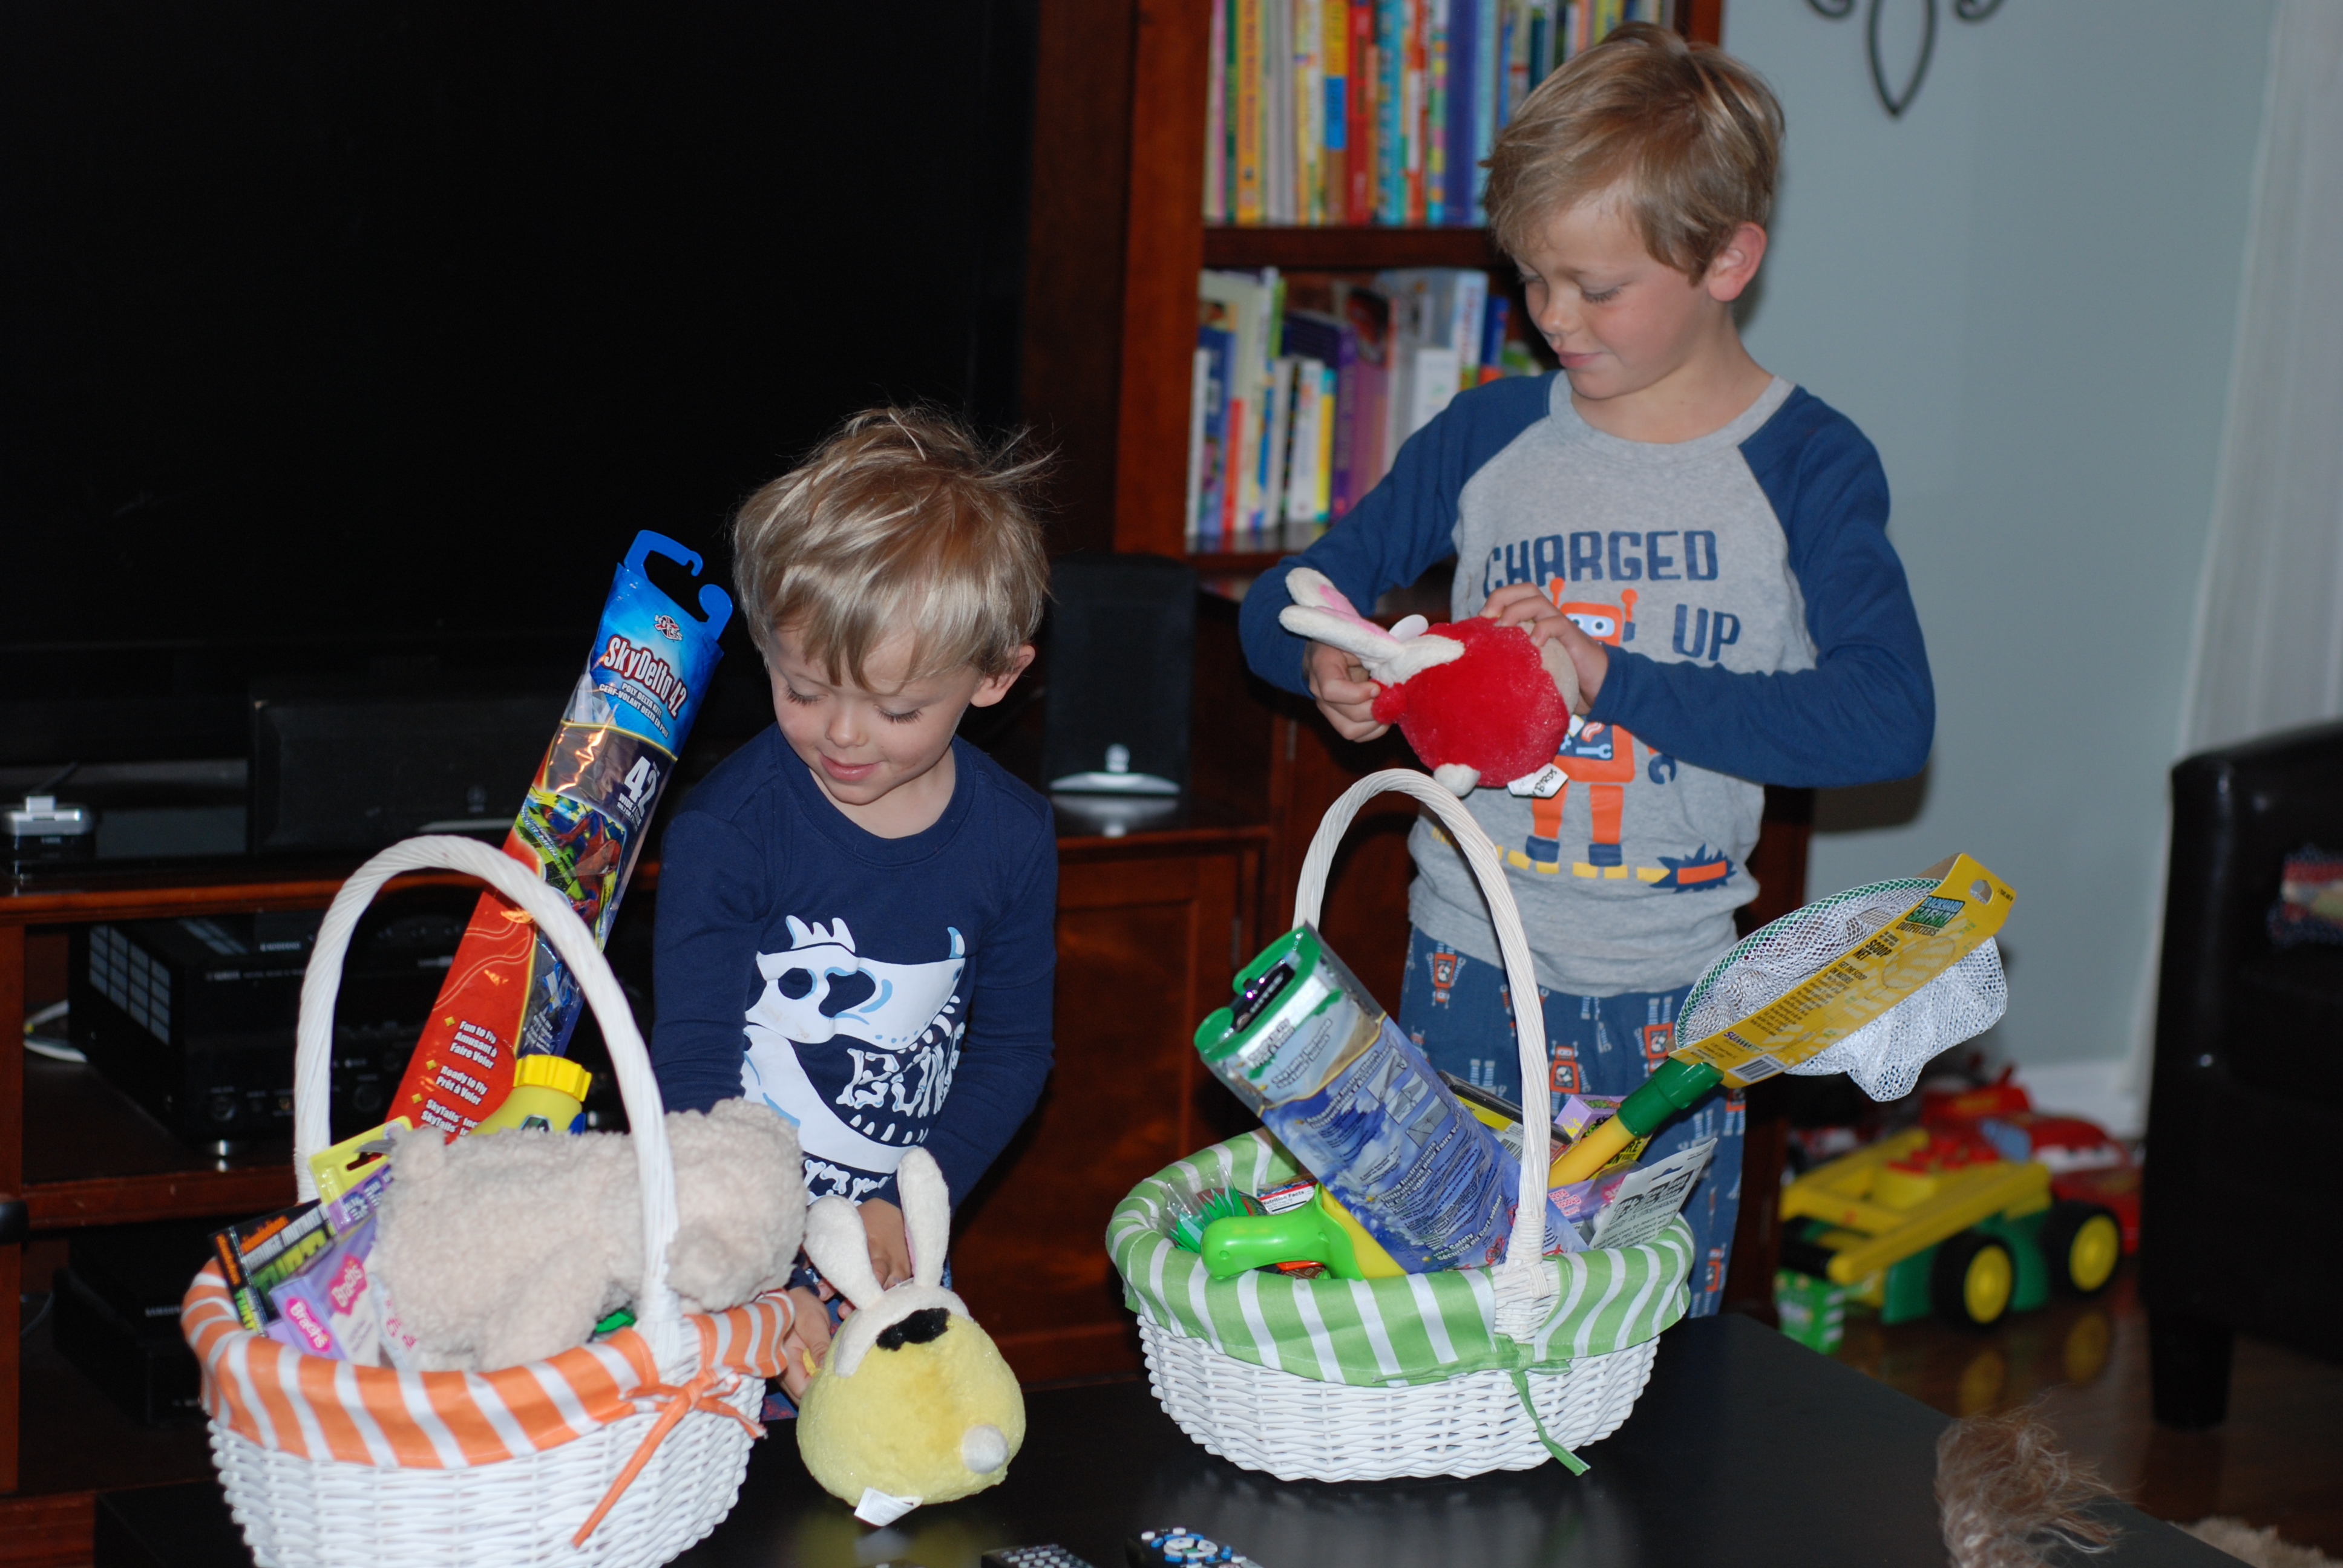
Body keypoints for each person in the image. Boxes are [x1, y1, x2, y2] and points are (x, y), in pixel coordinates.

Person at [1239, 24, 1933, 1313]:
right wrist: (1327, 660)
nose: (1552, 317)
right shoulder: (1490, 432)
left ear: (1728, 260)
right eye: (1532, 279)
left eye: (1595, 287)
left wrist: (1617, 681)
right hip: (1464, 965)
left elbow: (1887, 721)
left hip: (1679, 997)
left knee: (1655, 1330)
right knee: (1454, 1306)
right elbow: (1289, 600)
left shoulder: (1807, 464)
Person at [652, 407, 1056, 1392]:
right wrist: (761, 1270)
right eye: (803, 690)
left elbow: (1012, 1052)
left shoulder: (1012, 836)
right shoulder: (729, 832)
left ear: (997, 675)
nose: (842, 734)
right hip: (728, 1239)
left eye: (897, 709)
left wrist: (909, 1202)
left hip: (895, 1237)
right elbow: (690, 1073)